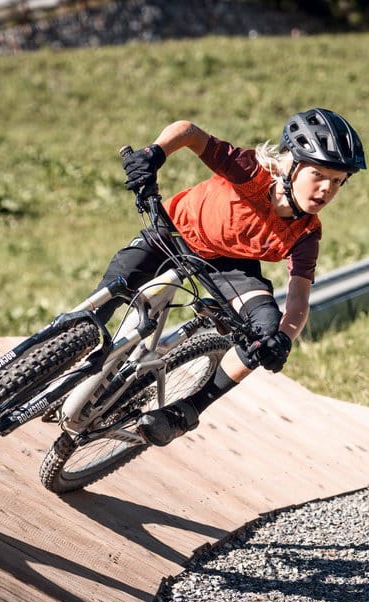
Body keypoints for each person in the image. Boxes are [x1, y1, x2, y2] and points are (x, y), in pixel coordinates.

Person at [94, 108, 366, 447]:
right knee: (104, 301)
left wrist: (282, 340)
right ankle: (72, 351)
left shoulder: (306, 233)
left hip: (230, 265)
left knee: (266, 331)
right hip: (174, 233)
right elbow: (189, 132)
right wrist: (154, 154)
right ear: (292, 165)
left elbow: (298, 300)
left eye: (338, 181)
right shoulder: (249, 171)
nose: (326, 189)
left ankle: (185, 412)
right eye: (318, 174)